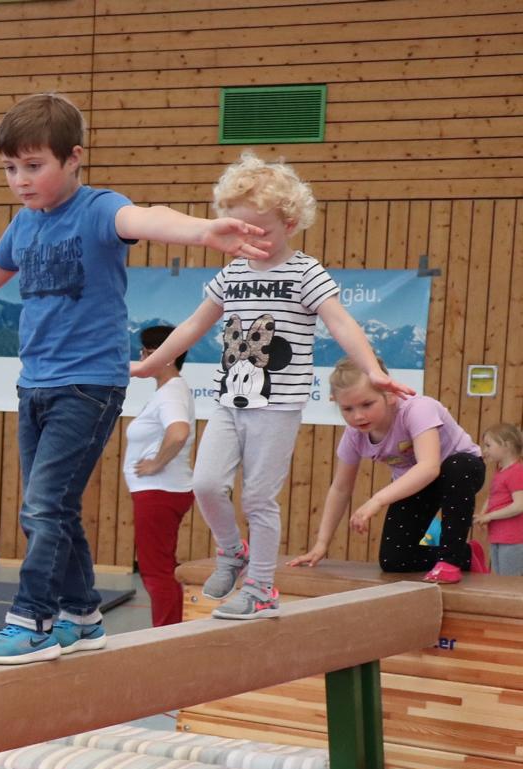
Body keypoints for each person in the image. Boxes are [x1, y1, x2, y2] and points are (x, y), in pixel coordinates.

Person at [0, 92, 270, 664]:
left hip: (89, 385)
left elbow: (146, 218)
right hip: (36, 384)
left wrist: (202, 233)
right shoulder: (24, 225)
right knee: (54, 506)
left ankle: (32, 618)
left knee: (41, 506)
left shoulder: (100, 209)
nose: (20, 180)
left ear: (73, 158)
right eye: (10, 168)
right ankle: (83, 616)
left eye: (34, 166)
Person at [133, 152, 410, 620]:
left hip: (276, 405)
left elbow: (341, 323)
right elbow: (192, 326)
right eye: (239, 229)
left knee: (259, 498)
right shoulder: (233, 274)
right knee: (204, 483)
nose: (250, 238)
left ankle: (261, 586)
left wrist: (372, 368)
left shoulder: (305, 273)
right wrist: (152, 365)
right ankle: (232, 553)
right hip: (228, 400)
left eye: (259, 228)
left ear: (290, 221)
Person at [288, 360, 484, 581]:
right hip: (416, 484)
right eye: (347, 409)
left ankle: (450, 561)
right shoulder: (355, 435)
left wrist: (377, 500)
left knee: (457, 467)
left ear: (390, 395)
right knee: (395, 559)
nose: (358, 416)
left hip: (460, 469)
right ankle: (467, 555)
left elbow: (429, 467)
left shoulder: (417, 409)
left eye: (367, 404)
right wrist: (321, 544)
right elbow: (341, 488)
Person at [124, 326, 194, 626]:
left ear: (170, 356)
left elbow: (178, 433)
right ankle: (169, 631)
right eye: (143, 351)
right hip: (160, 493)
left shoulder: (171, 394)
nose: (143, 358)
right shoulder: (169, 391)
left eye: (149, 353)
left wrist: (155, 464)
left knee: (156, 572)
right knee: (161, 568)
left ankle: (165, 635)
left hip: (159, 493)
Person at [475, 422, 523, 576]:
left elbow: (519, 505)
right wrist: (483, 515)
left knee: (509, 583)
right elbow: (493, 496)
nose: (484, 450)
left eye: (488, 445)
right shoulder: (501, 470)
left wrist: (489, 516)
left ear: (506, 445)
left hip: (514, 539)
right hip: (499, 536)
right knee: (500, 580)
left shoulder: (517, 472)